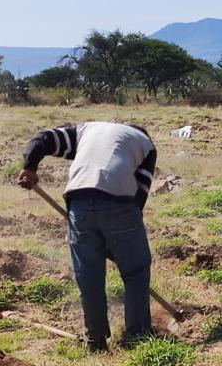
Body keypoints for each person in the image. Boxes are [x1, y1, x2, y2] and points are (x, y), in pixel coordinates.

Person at [18, 122, 157, 350]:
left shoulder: (85, 132)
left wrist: (29, 167)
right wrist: (120, 241)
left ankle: (95, 340)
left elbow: (43, 139)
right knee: (135, 270)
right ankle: (137, 336)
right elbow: (139, 197)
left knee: (88, 275)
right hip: (119, 204)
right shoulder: (146, 146)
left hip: (79, 203)